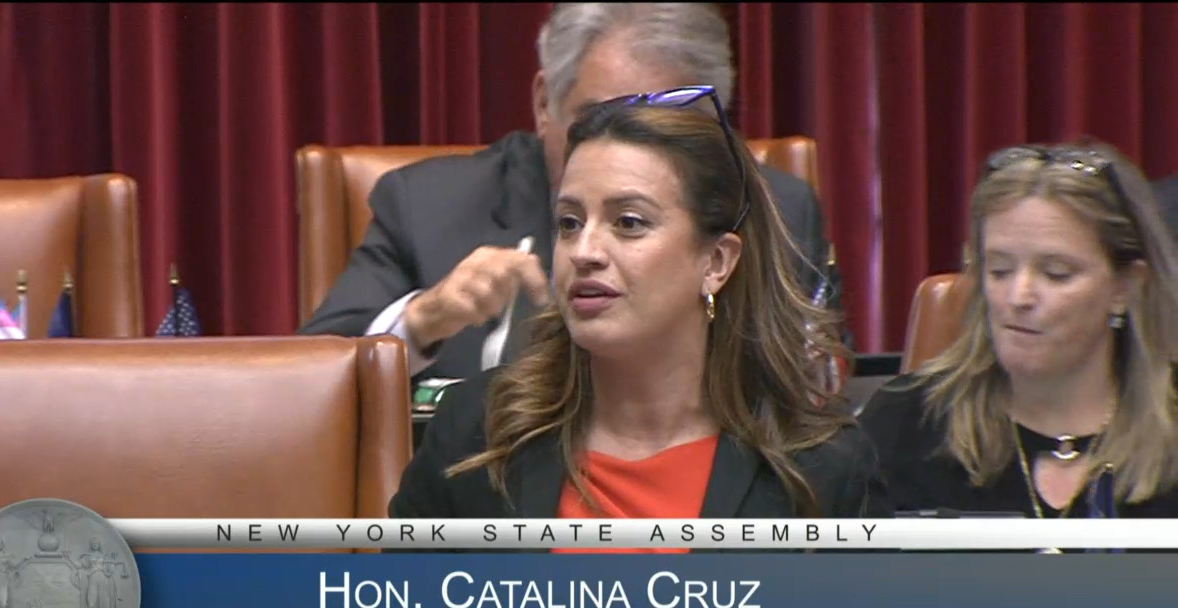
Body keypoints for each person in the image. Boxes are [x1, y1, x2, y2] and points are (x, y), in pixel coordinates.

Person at [387, 88, 887, 531]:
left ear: (716, 262)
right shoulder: (476, 431)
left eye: (628, 222)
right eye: (569, 223)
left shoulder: (821, 468)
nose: (584, 252)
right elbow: (398, 607)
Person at [298, 3, 847, 384]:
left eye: (661, 126)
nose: (625, 151)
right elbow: (311, 382)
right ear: (545, 103)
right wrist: (422, 322)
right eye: (600, 119)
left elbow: (823, 392)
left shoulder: (774, 210)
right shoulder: (426, 205)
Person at [858, 142, 1178, 526]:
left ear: (1125, 287)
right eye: (1000, 270)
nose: (1018, 297)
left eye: (1056, 274)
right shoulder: (904, 423)